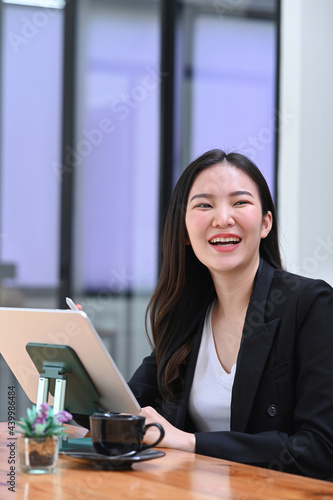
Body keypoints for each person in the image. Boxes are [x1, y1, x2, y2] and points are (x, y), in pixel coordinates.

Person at [127, 148, 333, 480]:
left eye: (240, 202)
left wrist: (191, 442)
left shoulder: (311, 304)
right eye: (204, 205)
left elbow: (321, 450)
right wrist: (79, 352)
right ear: (183, 231)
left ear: (266, 223)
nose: (223, 218)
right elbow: (128, 407)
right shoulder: (186, 316)